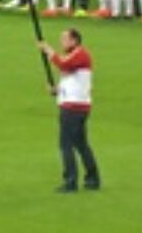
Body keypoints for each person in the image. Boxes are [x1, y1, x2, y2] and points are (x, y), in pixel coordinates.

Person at [37, 29, 100, 193]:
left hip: (73, 108)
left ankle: (71, 181)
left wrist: (48, 50)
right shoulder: (76, 56)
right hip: (77, 105)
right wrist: (57, 91)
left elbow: (63, 65)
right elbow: (72, 80)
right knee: (81, 144)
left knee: (66, 145)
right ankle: (92, 178)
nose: (62, 42)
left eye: (65, 39)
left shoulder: (80, 54)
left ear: (75, 41)